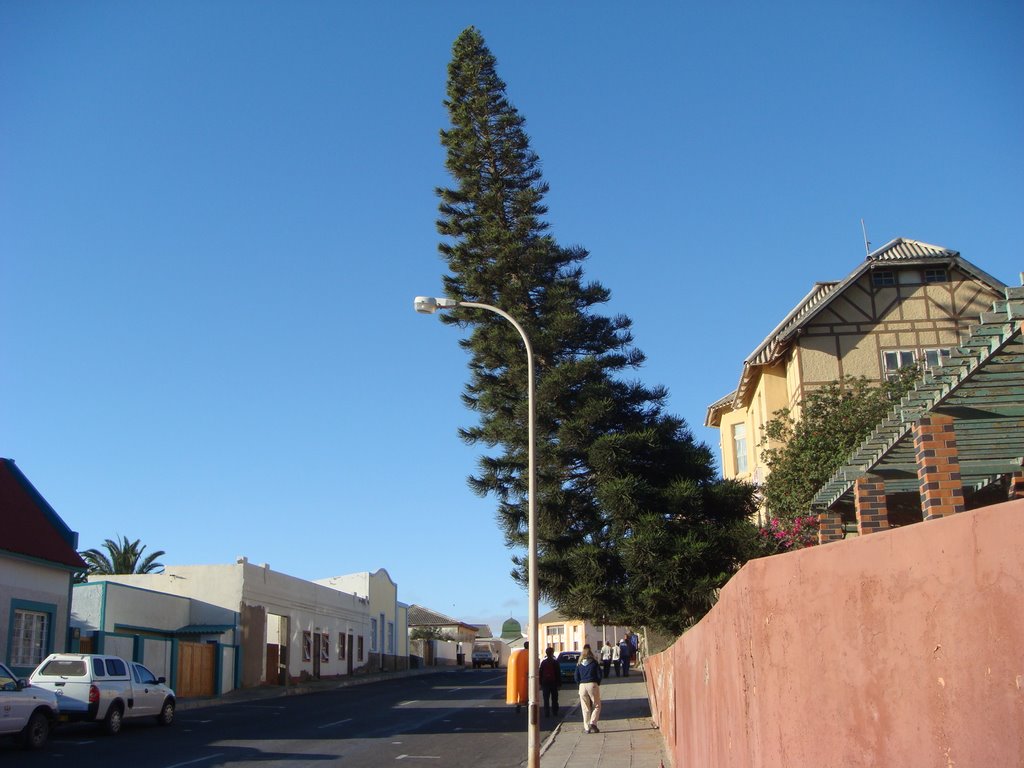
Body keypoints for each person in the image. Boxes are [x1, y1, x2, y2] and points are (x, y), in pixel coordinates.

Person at [573, 644, 602, 734]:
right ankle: (593, 723)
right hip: (592, 684)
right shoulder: (594, 663)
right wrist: (597, 683)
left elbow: (576, 677)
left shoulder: (579, 664)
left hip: (582, 686)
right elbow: (599, 675)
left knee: (585, 708)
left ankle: (586, 728)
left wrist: (579, 684)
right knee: (597, 705)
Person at [538, 647, 561, 717]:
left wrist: (540, 683)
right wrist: (559, 683)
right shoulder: (555, 662)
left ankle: (546, 713)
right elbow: (558, 673)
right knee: (554, 698)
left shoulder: (543, 662)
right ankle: (555, 712)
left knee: (546, 699)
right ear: (552, 653)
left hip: (545, 682)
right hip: (553, 682)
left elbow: (540, 673)